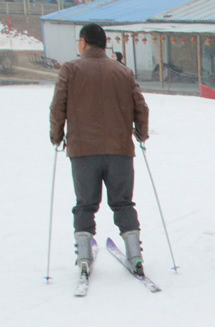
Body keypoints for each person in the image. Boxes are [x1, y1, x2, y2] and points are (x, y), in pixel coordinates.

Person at [49, 23, 149, 277]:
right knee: (123, 203)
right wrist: (141, 133)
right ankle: (135, 255)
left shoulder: (70, 69)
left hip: (83, 151)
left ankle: (84, 256)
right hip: (120, 150)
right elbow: (141, 107)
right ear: (105, 45)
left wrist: (57, 136)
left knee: (85, 204)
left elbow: (58, 106)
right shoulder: (123, 72)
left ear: (83, 43)